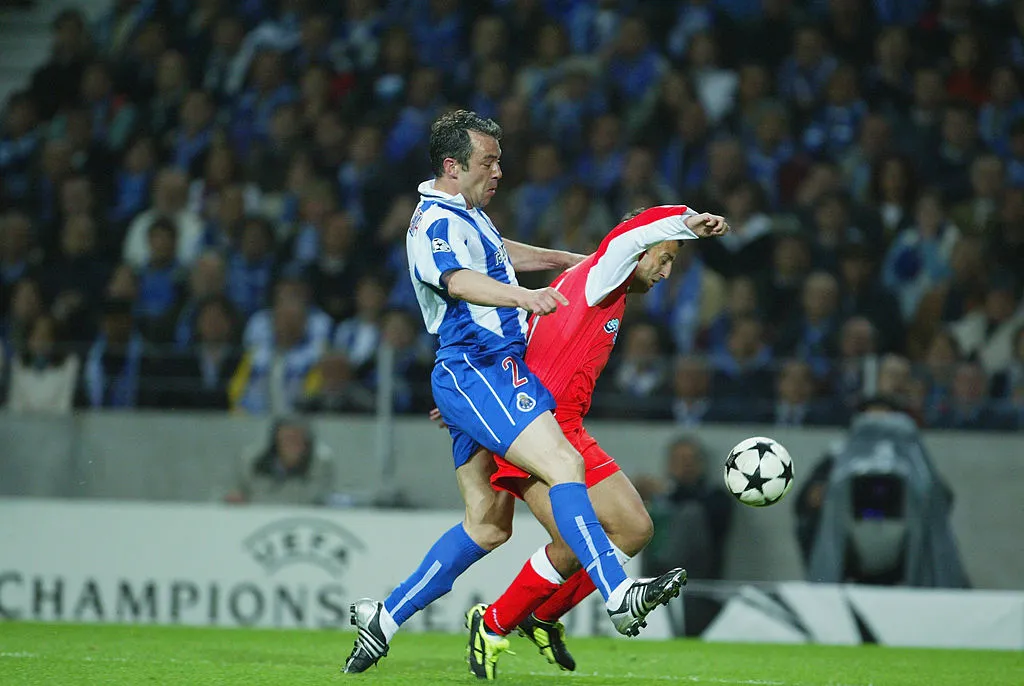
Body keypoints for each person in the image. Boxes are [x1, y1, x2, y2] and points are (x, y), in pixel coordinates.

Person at [344, 111, 689, 676]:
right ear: (453, 166)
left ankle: (383, 619)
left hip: (481, 379)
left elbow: (497, 254)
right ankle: (617, 592)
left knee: (487, 525)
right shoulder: (435, 223)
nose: (499, 171)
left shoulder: (466, 217)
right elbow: (458, 280)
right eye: (489, 161)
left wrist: (563, 261)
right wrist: (523, 298)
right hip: (479, 366)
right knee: (564, 465)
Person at [472, 205, 728, 675]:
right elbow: (629, 236)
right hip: (532, 431)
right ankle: (491, 625)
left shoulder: (593, 283)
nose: (666, 273)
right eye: (665, 258)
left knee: (634, 529)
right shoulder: (601, 275)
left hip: (567, 430)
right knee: (570, 543)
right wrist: (687, 220)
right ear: (640, 247)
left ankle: (542, 617)